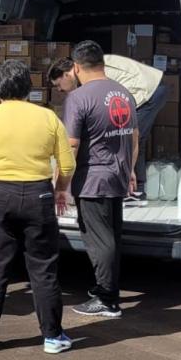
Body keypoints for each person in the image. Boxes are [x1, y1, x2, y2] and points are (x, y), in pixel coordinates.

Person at [0, 59, 76, 355]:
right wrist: (60, 189)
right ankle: (53, 336)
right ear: (29, 88)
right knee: (43, 268)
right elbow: (67, 164)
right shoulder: (49, 118)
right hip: (38, 195)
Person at [61, 41, 138, 318]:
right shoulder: (123, 92)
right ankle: (107, 289)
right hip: (116, 175)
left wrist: (61, 183)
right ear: (103, 64)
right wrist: (129, 169)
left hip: (93, 179)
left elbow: (71, 145)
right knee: (111, 236)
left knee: (99, 240)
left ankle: (107, 299)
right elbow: (133, 137)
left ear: (77, 67)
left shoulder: (78, 98)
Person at [48, 53, 166, 206]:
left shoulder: (91, 74)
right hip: (144, 87)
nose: (59, 90)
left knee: (130, 138)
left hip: (149, 90)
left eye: (58, 85)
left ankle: (134, 190)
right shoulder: (86, 71)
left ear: (66, 74)